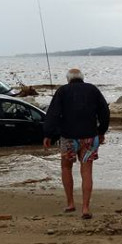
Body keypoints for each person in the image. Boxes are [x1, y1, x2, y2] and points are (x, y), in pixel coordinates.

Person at [43, 68, 110, 219]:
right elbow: (104, 111)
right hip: (90, 137)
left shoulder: (62, 91)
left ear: (68, 79)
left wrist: (48, 134)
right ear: (82, 78)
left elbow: (53, 113)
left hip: (68, 137)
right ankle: (85, 208)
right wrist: (101, 131)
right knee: (86, 172)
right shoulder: (93, 90)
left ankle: (70, 203)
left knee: (66, 168)